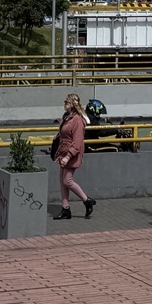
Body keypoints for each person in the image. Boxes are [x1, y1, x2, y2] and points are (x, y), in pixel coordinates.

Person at [49, 92, 94, 220]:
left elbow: (77, 142)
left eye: (67, 102)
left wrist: (68, 156)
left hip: (71, 153)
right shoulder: (66, 117)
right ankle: (65, 209)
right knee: (62, 181)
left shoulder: (77, 120)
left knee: (67, 180)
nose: (65, 104)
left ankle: (87, 200)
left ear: (73, 104)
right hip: (63, 151)